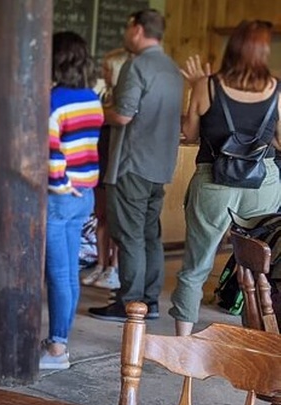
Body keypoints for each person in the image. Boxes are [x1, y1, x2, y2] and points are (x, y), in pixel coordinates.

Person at [169, 20, 281, 337]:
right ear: (263, 53)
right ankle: (260, 335)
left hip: (214, 182)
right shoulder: (277, 89)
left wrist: (196, 85)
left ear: (230, 49)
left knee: (197, 264)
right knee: (261, 263)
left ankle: (184, 342)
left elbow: (190, 135)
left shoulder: (207, 85)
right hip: (262, 183)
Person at [87, 9, 184, 322]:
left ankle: (128, 303)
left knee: (129, 236)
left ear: (138, 29)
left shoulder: (137, 65)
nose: (125, 34)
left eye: (128, 28)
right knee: (149, 236)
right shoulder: (172, 68)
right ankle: (150, 301)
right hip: (161, 165)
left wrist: (96, 109)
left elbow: (124, 115)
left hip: (132, 164)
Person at [41, 31, 104, 370]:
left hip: (62, 196)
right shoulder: (92, 97)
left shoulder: (54, 101)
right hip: (85, 195)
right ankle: (59, 340)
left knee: (59, 274)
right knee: (69, 274)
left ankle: (56, 350)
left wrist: (61, 185)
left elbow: (53, 153)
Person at [81, 48, 128, 291]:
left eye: (108, 69)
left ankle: (114, 268)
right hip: (99, 161)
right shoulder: (103, 95)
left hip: (116, 165)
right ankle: (100, 264)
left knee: (116, 219)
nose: (104, 72)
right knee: (101, 216)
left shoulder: (125, 100)